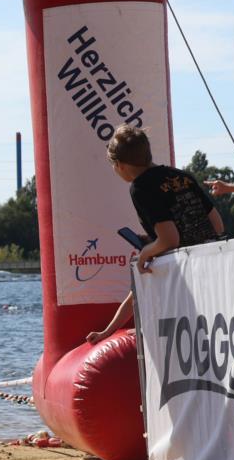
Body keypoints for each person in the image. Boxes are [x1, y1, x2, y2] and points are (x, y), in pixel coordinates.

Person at [87, 125, 224, 345]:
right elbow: (217, 225)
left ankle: (120, 331)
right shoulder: (182, 176)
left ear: (119, 165)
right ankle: (108, 331)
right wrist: (154, 244)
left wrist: (145, 253)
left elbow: (171, 240)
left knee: (145, 269)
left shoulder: (140, 187)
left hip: (187, 278)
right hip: (215, 269)